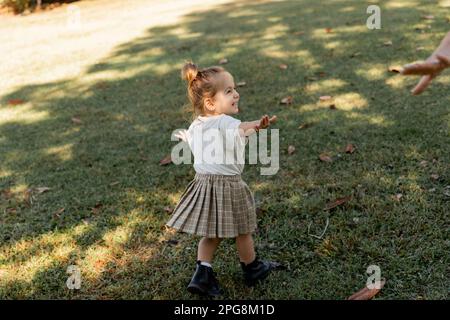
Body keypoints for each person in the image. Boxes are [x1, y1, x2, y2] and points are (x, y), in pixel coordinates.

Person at [166, 61, 278, 297]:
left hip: (204, 184)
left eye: (234, 88)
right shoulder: (225, 122)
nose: (236, 94)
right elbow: (240, 128)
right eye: (228, 91)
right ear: (210, 103)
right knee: (244, 229)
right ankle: (252, 268)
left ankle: (202, 273)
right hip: (228, 185)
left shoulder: (196, 124)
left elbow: (200, 139)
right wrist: (257, 125)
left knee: (212, 234)